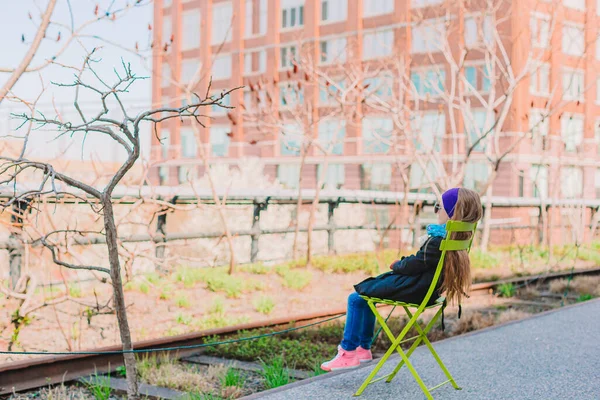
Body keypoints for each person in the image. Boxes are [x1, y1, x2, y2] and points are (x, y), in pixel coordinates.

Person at [321, 187, 483, 372]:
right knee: (366, 293)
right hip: (428, 290)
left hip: (416, 289)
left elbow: (415, 264)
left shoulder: (437, 241)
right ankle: (363, 349)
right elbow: (423, 262)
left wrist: (398, 264)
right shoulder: (455, 239)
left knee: (356, 297)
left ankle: (349, 353)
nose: (437, 211)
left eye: (439, 207)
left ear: (452, 212)